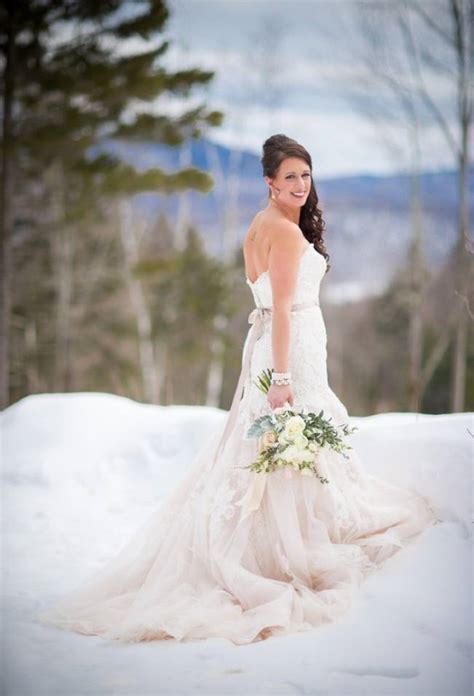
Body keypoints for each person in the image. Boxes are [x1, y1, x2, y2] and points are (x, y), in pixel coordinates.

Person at [37, 133, 438, 645]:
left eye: (306, 175)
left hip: (270, 345)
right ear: (269, 183)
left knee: (266, 446)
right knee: (289, 441)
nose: (299, 184)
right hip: (287, 351)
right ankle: (288, 548)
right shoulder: (287, 236)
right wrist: (285, 378)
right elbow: (287, 310)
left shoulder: (262, 224)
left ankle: (279, 535)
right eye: (289, 176)